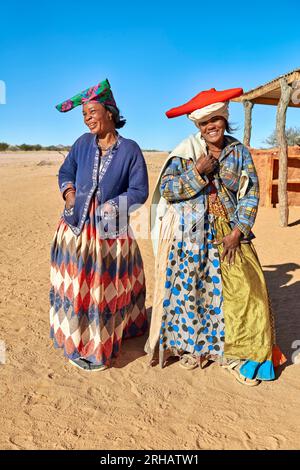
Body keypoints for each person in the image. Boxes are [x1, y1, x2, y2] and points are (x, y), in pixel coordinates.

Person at [146, 87, 285, 386]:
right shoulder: (185, 153)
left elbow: (250, 195)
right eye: (205, 122)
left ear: (224, 119)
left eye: (216, 119)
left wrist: (238, 232)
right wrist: (197, 172)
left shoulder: (239, 152)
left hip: (229, 232)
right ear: (198, 126)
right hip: (191, 232)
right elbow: (168, 190)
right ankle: (196, 350)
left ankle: (241, 357)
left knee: (248, 291)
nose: (211, 126)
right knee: (192, 292)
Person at [50, 79, 149, 371]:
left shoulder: (130, 149)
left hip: (110, 231)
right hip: (76, 227)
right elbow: (66, 170)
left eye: (93, 112)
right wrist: (69, 193)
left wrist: (112, 206)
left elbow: (139, 191)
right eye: (84, 115)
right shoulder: (82, 143)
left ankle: (99, 346)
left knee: (104, 289)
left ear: (110, 112)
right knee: (76, 286)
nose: (88, 118)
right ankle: (76, 339)